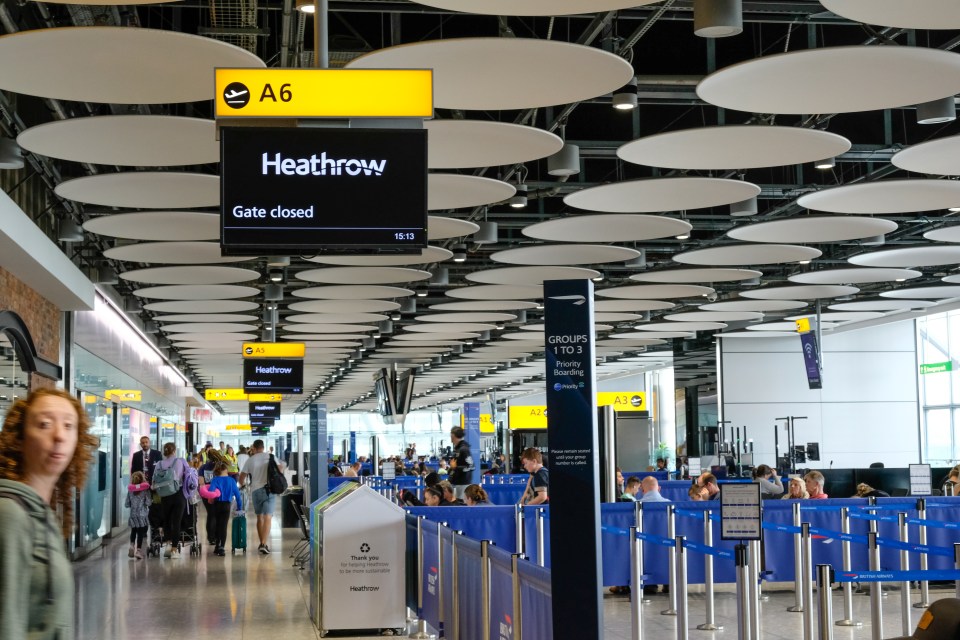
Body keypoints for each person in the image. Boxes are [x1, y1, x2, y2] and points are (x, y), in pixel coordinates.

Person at [0, 388, 96, 640]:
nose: (59, 436)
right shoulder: (9, 515)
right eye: (44, 424)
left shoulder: (41, 512)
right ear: (18, 438)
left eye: (68, 426)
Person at [239, 439, 276, 555]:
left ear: (254, 448)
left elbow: (241, 478)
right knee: (268, 517)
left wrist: (244, 485)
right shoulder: (270, 457)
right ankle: (264, 544)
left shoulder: (251, 460)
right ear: (263, 447)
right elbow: (281, 468)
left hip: (255, 491)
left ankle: (262, 543)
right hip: (269, 490)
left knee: (259, 518)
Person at [199, 461, 244, 556]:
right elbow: (238, 495)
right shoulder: (231, 480)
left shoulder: (215, 480)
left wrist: (210, 501)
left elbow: (211, 493)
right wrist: (239, 507)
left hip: (217, 504)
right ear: (225, 470)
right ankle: (221, 547)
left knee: (217, 525)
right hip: (227, 505)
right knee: (223, 526)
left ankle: (217, 545)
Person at [153, 442, 189, 558]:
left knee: (167, 520)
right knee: (176, 521)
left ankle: (167, 545)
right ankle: (174, 549)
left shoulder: (159, 464)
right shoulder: (179, 462)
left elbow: (154, 479)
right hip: (178, 494)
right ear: (174, 451)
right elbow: (179, 477)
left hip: (164, 495)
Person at [126, 470, 152, 559]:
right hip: (142, 515)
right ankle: (138, 551)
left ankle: (131, 546)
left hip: (133, 515)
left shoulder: (130, 491)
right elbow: (148, 503)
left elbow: (126, 504)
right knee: (141, 533)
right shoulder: (145, 491)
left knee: (133, 531)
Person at [449, 427, 474, 498]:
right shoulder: (457, 449)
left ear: (453, 435)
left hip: (463, 484)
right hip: (457, 483)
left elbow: (471, 466)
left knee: (461, 505)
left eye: (451, 435)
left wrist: (456, 467)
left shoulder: (464, 449)